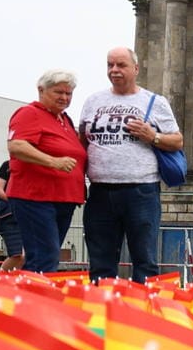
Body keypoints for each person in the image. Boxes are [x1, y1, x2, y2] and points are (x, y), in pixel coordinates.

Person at [78, 47, 183, 281]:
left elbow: (177, 141)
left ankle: (142, 313)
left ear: (135, 69)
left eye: (121, 65)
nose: (114, 70)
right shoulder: (93, 101)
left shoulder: (155, 102)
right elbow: (82, 142)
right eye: (110, 65)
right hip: (100, 191)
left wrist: (152, 136)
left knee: (144, 260)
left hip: (141, 191)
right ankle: (103, 309)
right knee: (100, 260)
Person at [4, 70, 87, 273]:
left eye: (69, 94)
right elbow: (17, 146)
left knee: (46, 255)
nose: (64, 98)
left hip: (63, 199)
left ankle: (33, 298)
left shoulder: (64, 120)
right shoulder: (29, 113)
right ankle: (32, 300)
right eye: (59, 92)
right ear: (41, 90)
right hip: (36, 197)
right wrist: (53, 162)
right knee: (44, 256)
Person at [0, 162, 23, 270]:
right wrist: (14, 202)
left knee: (25, 256)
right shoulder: (8, 165)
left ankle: (17, 279)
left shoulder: (35, 165)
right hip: (8, 216)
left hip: (26, 214)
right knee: (17, 255)